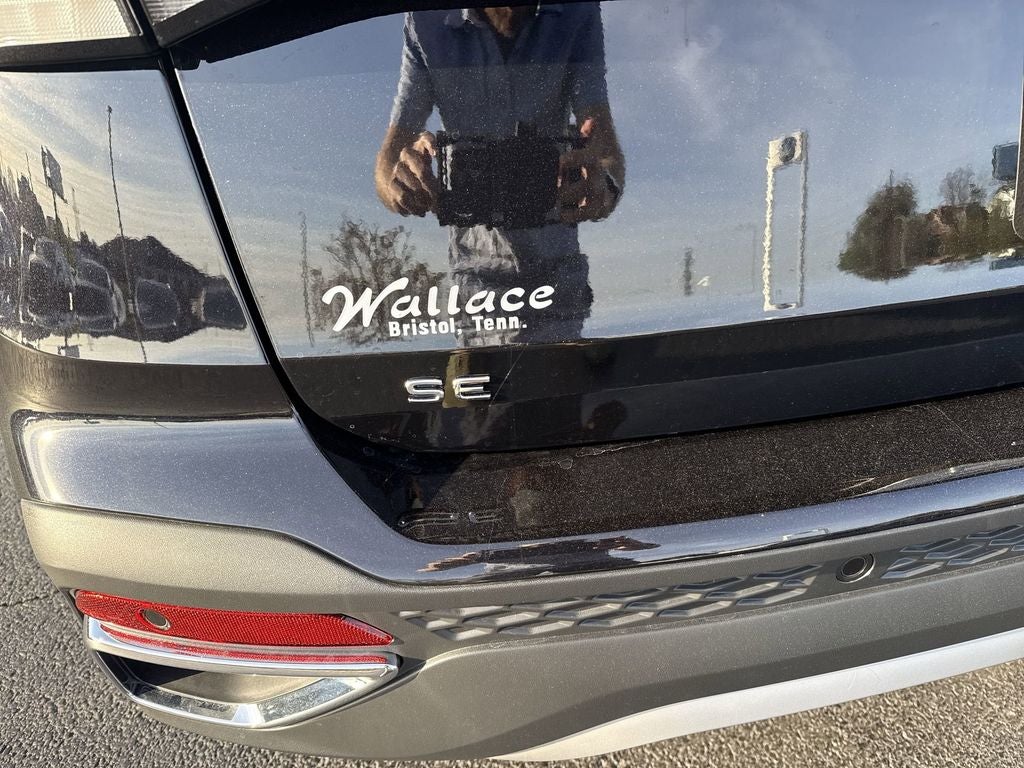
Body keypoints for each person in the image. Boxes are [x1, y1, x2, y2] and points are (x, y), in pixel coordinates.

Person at [375, 2, 624, 345]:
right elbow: (389, 161)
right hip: (474, 289)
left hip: (559, 281)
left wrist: (604, 186)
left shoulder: (577, 11)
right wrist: (403, 184)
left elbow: (603, 144)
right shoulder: (425, 21)